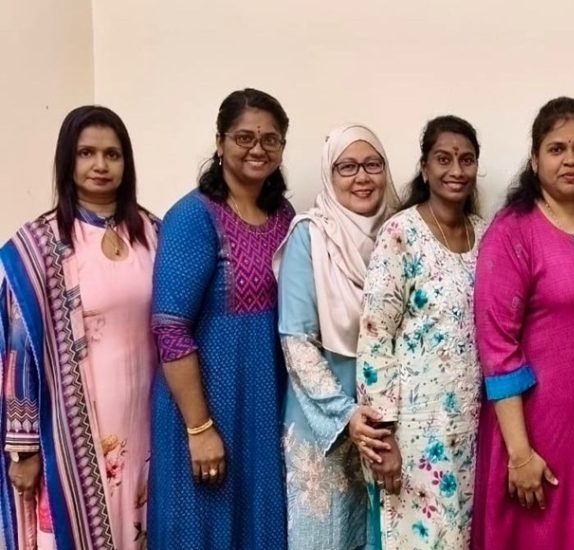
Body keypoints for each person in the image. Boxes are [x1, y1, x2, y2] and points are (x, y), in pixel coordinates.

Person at [472, 97, 574, 549]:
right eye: (557, 149)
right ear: (535, 159)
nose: (570, 159)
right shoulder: (514, 231)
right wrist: (520, 453)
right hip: (537, 429)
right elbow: (497, 346)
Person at [0, 106, 159, 549]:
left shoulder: (152, 233)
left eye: (112, 154)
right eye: (86, 153)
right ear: (67, 160)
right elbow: (18, 352)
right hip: (69, 433)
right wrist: (24, 448)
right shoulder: (39, 246)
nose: (100, 165)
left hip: (147, 422)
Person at [148, 88, 294, 548]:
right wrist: (200, 428)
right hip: (205, 406)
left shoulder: (284, 216)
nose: (258, 148)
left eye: (271, 139)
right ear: (220, 142)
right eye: (244, 137)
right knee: (202, 529)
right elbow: (170, 328)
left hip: (263, 404)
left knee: (256, 527)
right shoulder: (192, 217)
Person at [356, 115, 486, 549]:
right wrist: (383, 439)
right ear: (425, 167)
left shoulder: (486, 235)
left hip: (472, 427)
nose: (456, 170)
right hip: (413, 434)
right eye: (444, 159)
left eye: (467, 159)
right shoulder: (401, 233)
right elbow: (375, 336)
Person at [274, 123, 399, 549]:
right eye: (347, 167)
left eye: (372, 165)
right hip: (323, 423)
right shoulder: (310, 237)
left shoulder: (400, 233)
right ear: (329, 174)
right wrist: (346, 415)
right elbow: (296, 340)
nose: (362, 177)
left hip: (385, 422)